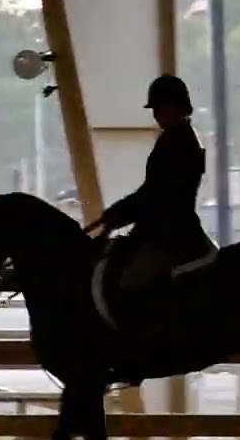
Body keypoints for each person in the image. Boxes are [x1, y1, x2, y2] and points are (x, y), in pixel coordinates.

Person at [87, 74, 215, 294]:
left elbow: (158, 195)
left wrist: (116, 216)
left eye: (160, 108)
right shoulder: (174, 138)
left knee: (132, 282)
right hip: (164, 227)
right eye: (155, 110)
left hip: (169, 233)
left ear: (178, 107)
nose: (156, 115)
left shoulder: (179, 143)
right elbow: (151, 190)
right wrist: (114, 214)